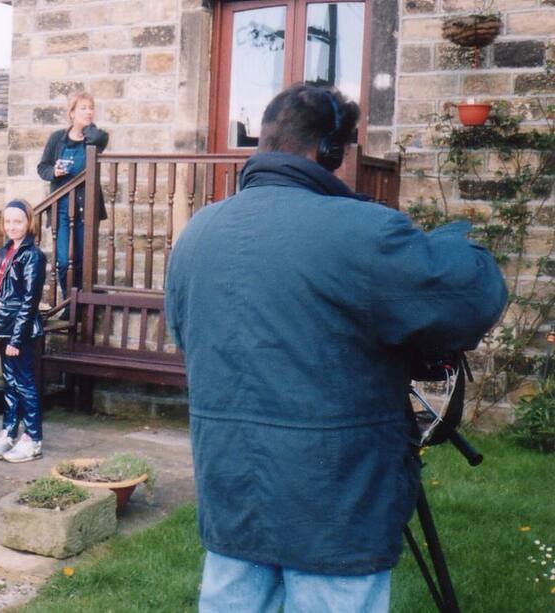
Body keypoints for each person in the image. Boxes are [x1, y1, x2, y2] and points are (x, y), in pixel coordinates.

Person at [164, 84, 507, 612]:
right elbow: (472, 293)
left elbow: (186, 335)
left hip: (232, 489)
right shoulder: (361, 232)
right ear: (329, 152)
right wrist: (456, 239)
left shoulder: (196, 233)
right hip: (336, 505)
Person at [0, 199, 47, 463]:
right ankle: (9, 430)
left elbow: (29, 300)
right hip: (4, 329)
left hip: (20, 332)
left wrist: (16, 337)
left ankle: (33, 438)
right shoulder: (4, 252)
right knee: (9, 384)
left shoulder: (32, 256)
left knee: (24, 384)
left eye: (18, 221)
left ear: (29, 223)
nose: (12, 226)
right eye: (8, 221)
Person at [37, 91, 109, 301]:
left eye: (91, 108)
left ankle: (82, 301)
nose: (88, 112)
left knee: (82, 259)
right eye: (83, 108)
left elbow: (100, 137)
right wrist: (55, 172)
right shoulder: (56, 139)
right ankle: (69, 301)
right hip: (61, 209)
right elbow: (42, 167)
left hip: (86, 208)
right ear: (71, 113)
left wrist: (86, 129)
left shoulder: (94, 137)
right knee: (62, 260)